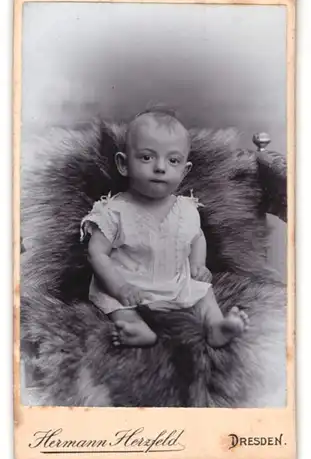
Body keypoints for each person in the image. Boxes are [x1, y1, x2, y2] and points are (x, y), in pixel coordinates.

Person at [80, 107, 249, 347]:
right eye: (147, 157)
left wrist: (198, 264)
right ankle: (137, 330)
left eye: (173, 160)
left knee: (204, 292)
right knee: (117, 306)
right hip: (128, 287)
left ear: (184, 171)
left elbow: (196, 237)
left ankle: (216, 327)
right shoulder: (114, 211)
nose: (160, 167)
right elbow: (96, 253)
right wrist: (120, 287)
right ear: (124, 164)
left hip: (174, 283)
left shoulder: (187, 209)